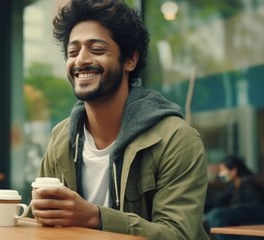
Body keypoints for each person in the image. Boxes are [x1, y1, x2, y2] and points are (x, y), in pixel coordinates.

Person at [30, 1, 209, 239]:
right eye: (73, 52)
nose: (81, 60)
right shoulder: (61, 138)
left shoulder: (176, 139)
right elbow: (38, 223)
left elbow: (178, 235)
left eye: (97, 49)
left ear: (130, 60)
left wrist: (96, 217)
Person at [205, 155, 264, 240]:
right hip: (241, 218)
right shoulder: (234, 186)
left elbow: (255, 205)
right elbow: (219, 201)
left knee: (216, 215)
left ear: (233, 171)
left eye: (223, 170)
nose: (220, 174)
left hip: (254, 218)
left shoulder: (247, 182)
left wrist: (233, 209)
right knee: (215, 215)